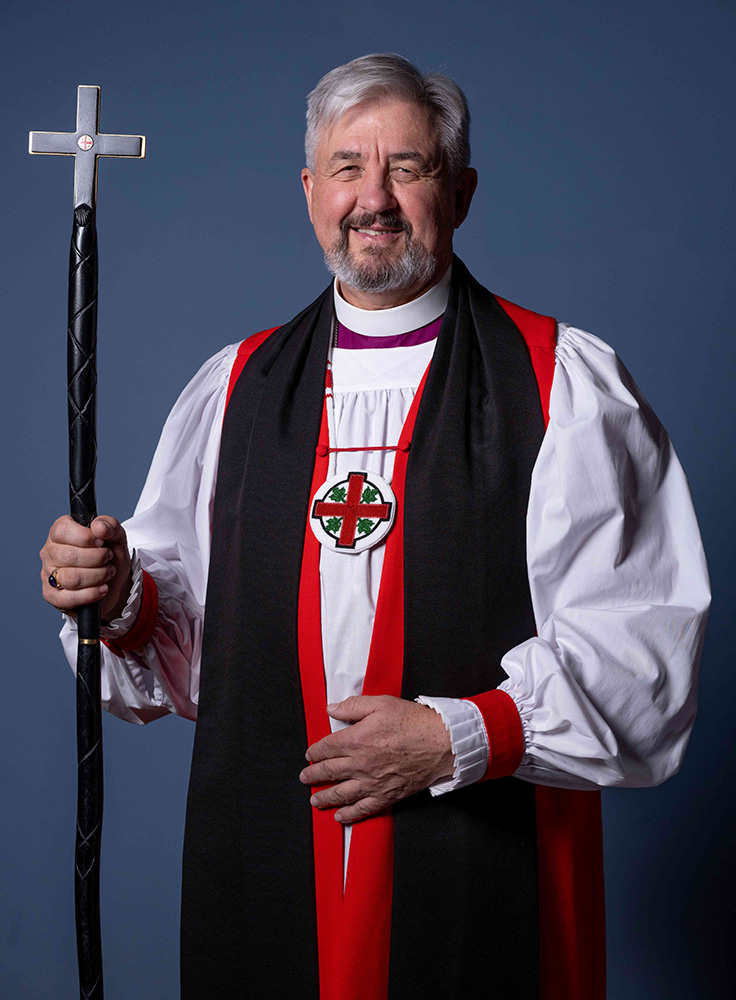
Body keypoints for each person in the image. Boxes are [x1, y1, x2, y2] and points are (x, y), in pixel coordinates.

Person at [40, 54, 709, 1000]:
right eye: (348, 167)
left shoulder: (563, 384)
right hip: (267, 853)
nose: (375, 198)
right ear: (311, 192)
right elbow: (188, 654)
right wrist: (117, 599)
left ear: (462, 191)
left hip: (487, 866)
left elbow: (641, 658)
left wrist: (459, 738)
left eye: (409, 166)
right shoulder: (236, 389)